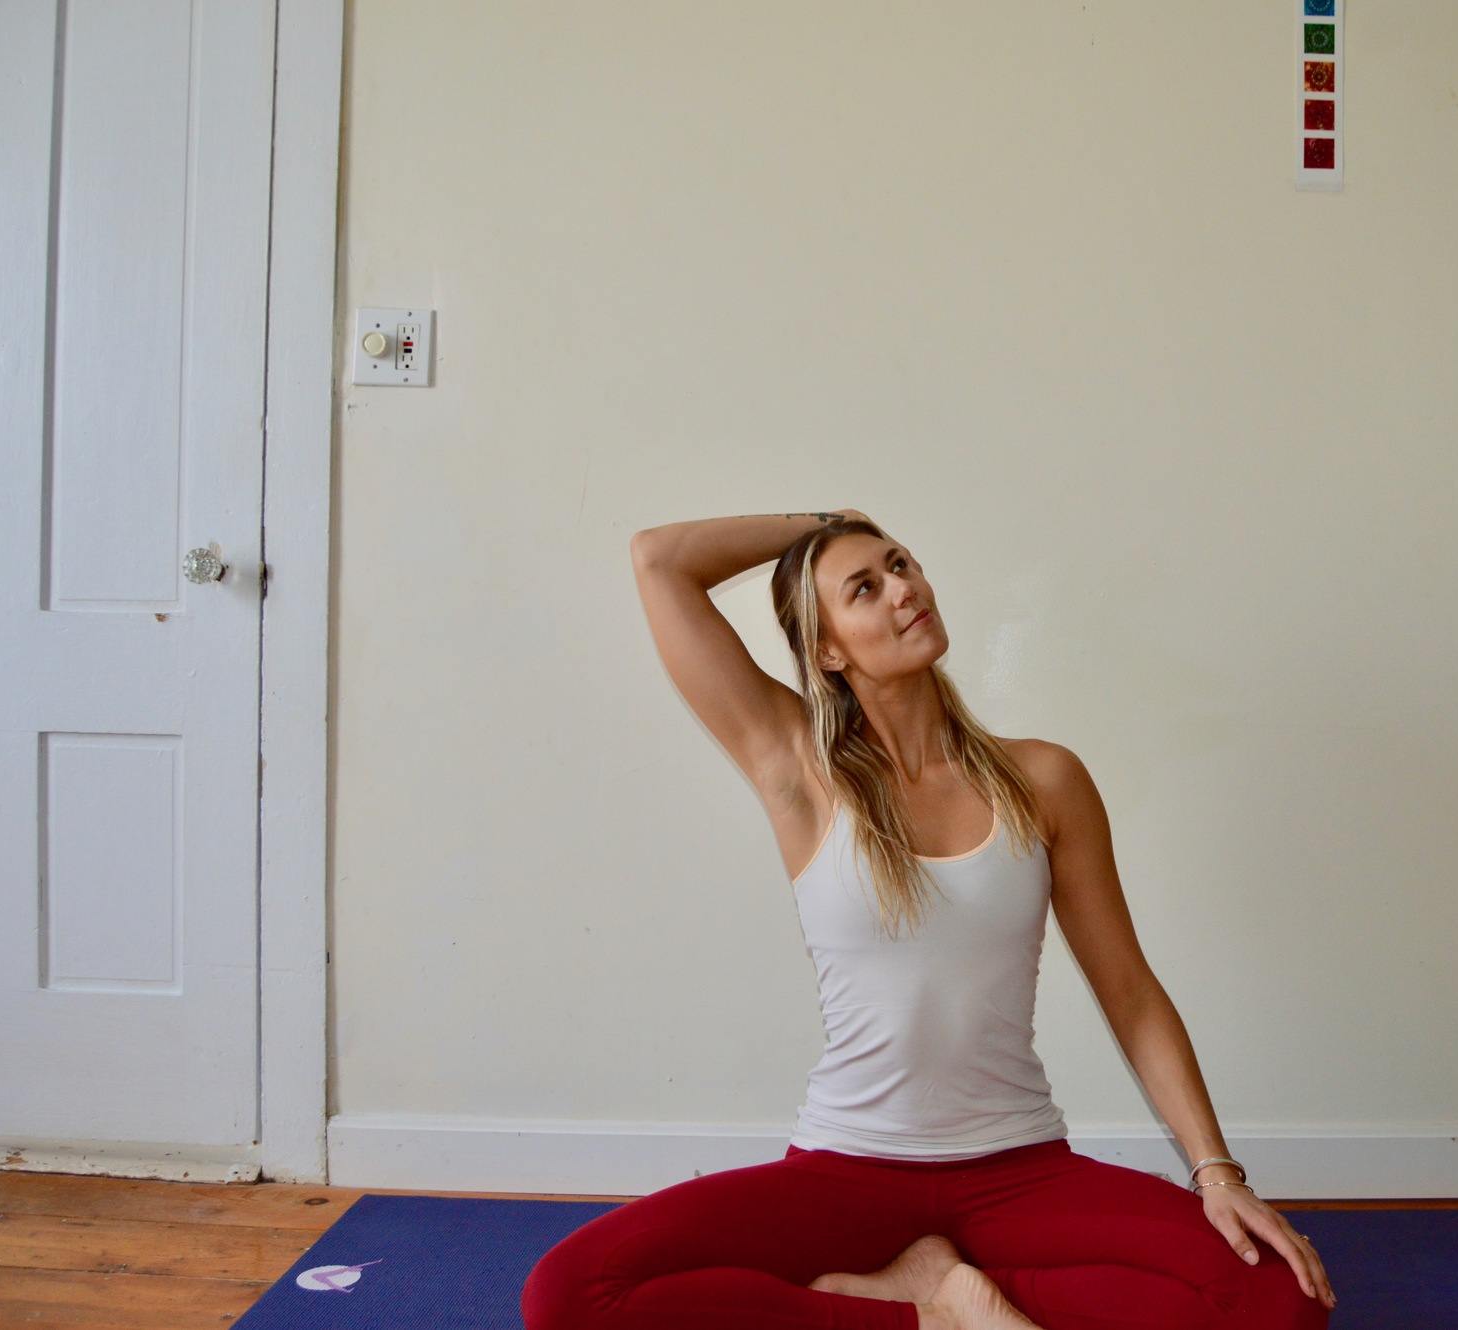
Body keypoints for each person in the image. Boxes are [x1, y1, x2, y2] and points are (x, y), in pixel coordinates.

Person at [520, 511, 1336, 1329]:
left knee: (1280, 1300)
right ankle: (932, 1314)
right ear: (828, 648)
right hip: (846, 1168)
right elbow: (659, 560)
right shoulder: (798, 767)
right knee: (569, 1294)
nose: (904, 589)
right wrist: (825, 520)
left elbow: (1129, 992)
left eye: (901, 563)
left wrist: (1218, 1174)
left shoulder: (1044, 780)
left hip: (1019, 1169)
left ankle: (950, 1286)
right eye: (865, 587)